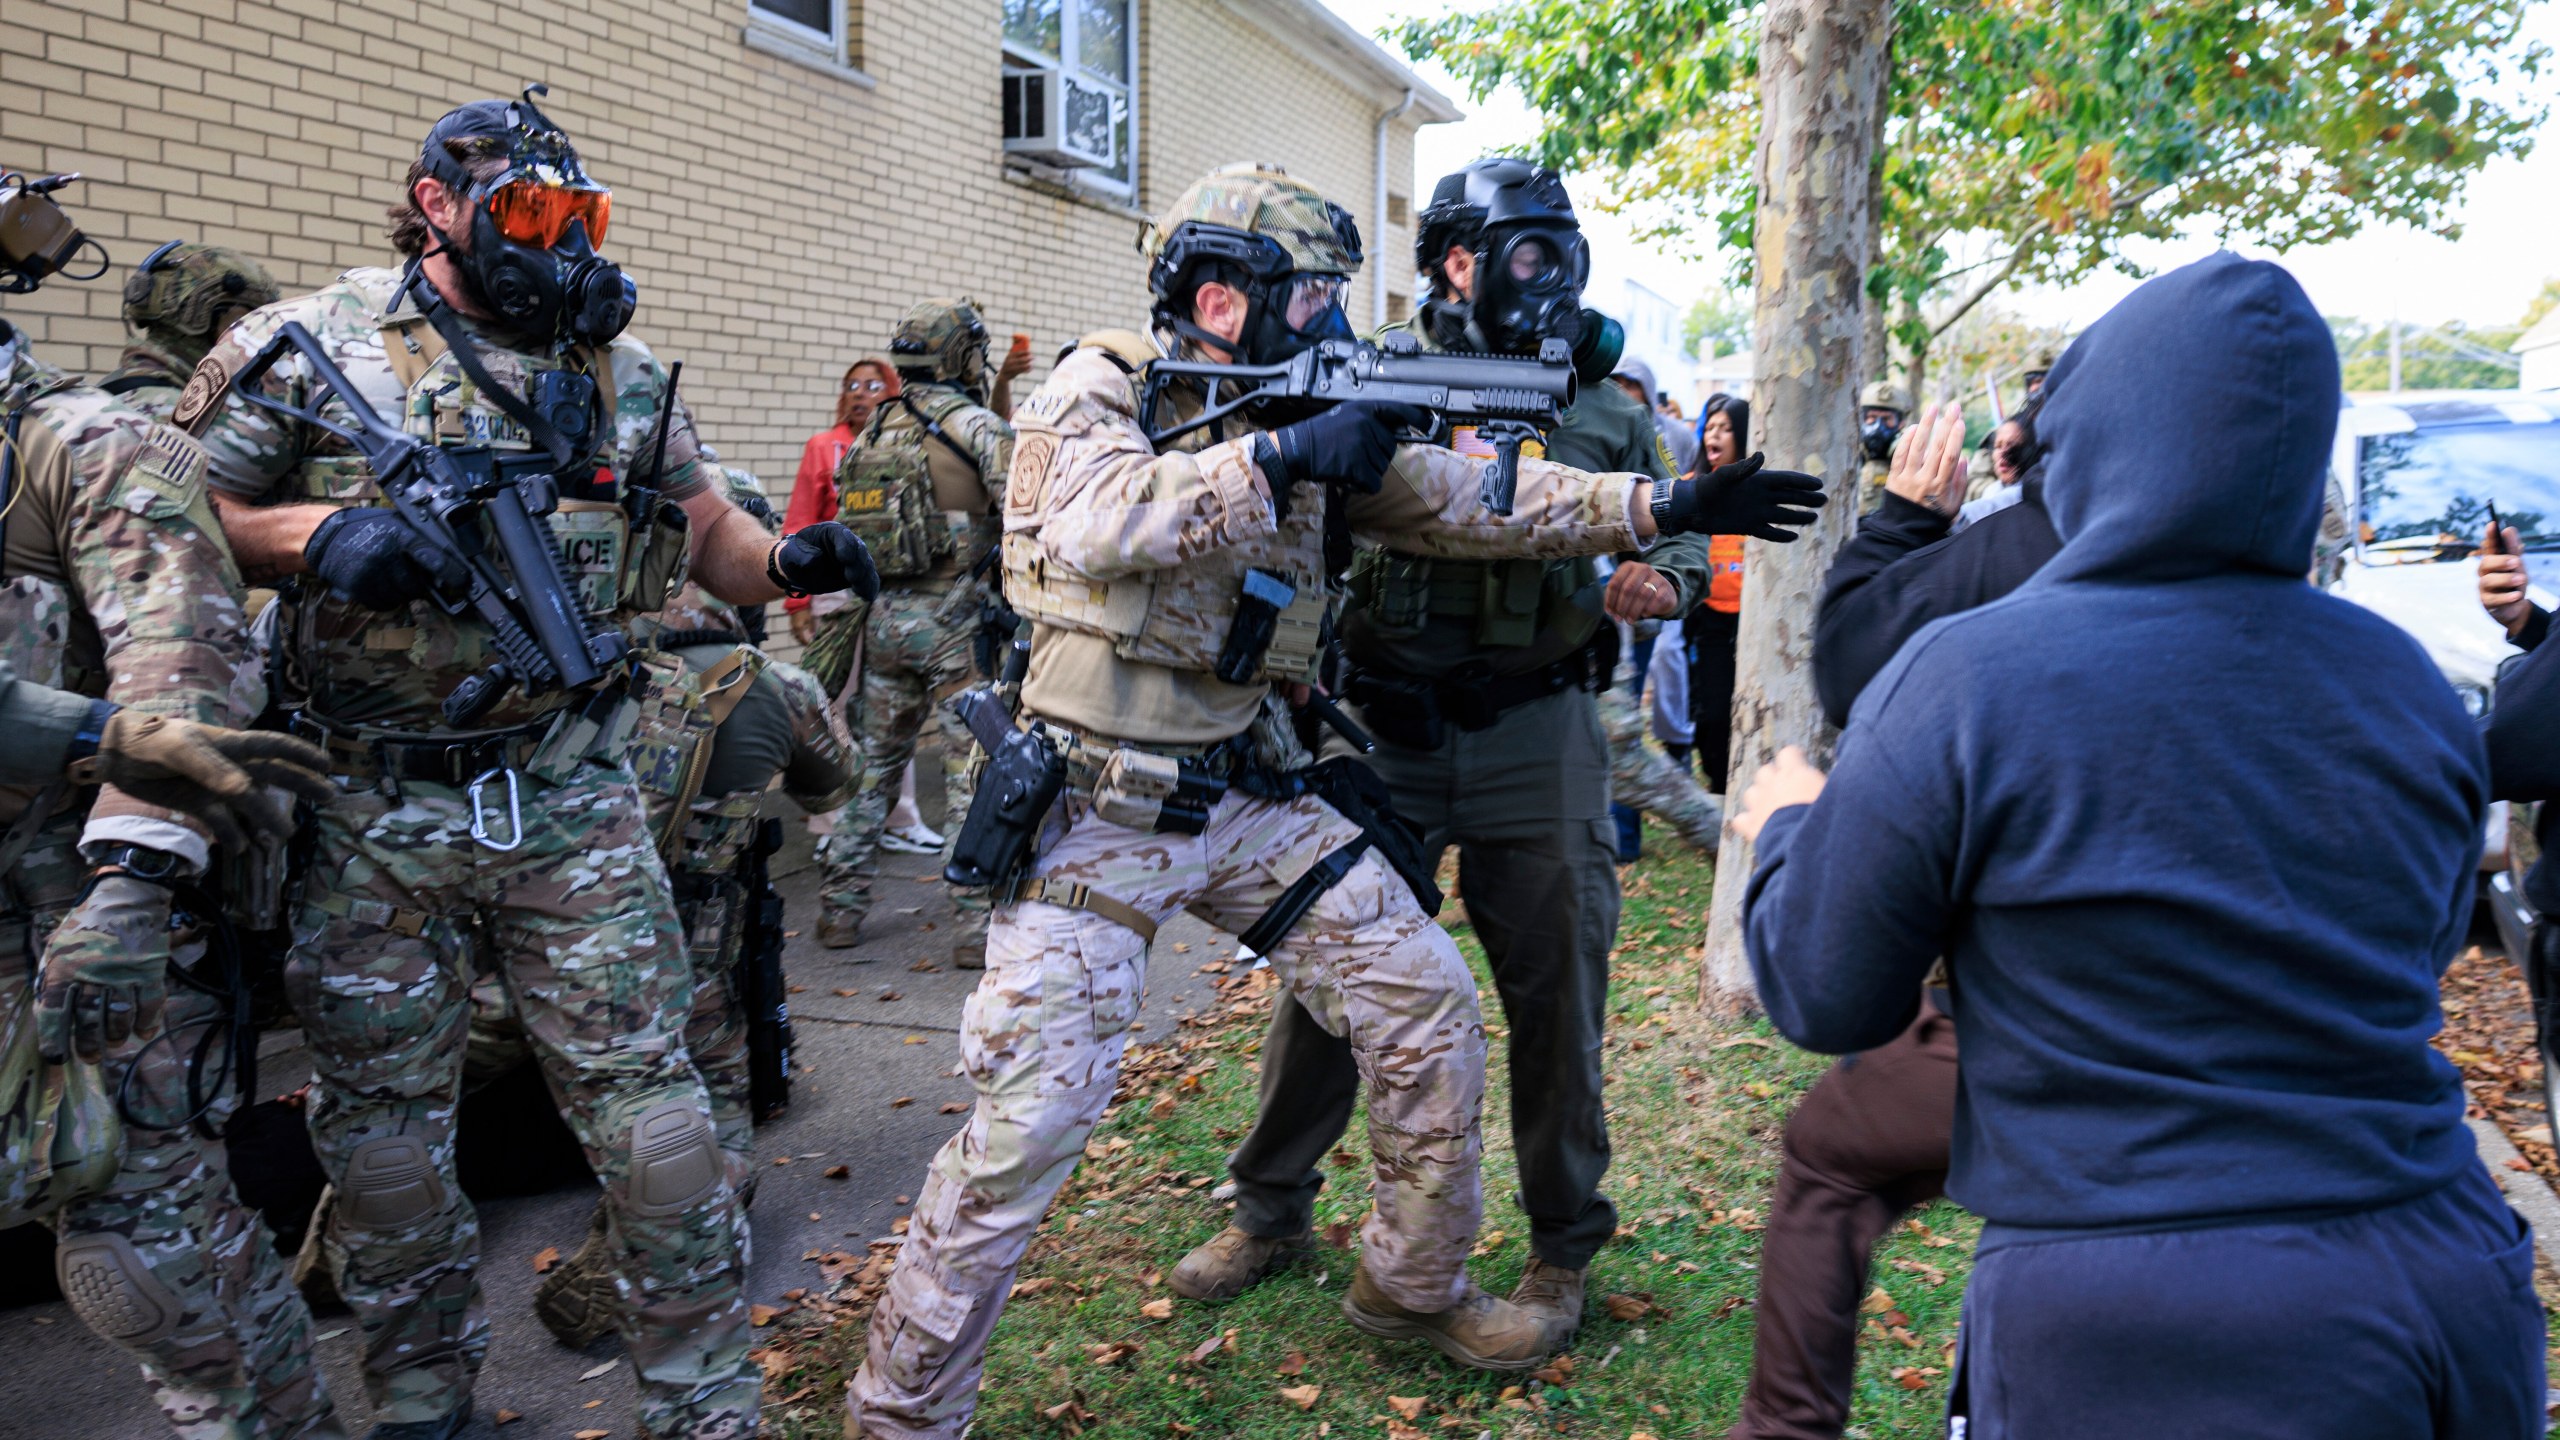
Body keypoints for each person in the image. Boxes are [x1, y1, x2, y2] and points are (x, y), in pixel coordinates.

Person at [847, 161, 1774, 1438]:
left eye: (1339, 292)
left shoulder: (1308, 406)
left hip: (1245, 795)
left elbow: (1465, 503)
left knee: (1425, 1004)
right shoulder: (1101, 384)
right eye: (1313, 292)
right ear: (1220, 297)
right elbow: (1099, 518)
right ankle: (901, 1415)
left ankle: (1411, 1281)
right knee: (1026, 1130)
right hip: (1097, 807)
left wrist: (1657, 500)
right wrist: (1279, 455)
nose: (1333, 317)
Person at [1733, 253, 2543, 1439]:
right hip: (2443, 1274)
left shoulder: (1967, 679)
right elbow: (2416, 944)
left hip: (2135, 1322)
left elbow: (1824, 991)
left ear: (2101, 440)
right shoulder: (2408, 686)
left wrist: (1792, 823)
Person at [182, 90, 879, 1440]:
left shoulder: (613, 367)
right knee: (385, 1150)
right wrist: (312, 538)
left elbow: (707, 529)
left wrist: (790, 563)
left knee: (661, 1135)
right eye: (525, 213)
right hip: (376, 809)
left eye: (576, 216)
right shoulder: (306, 344)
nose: (554, 240)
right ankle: (425, 1401)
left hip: (570, 790)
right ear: (437, 204)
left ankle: (703, 1403)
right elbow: (165, 508)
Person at [1180, 159, 1814, 1349]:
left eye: (1556, 249)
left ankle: (1561, 1247)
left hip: (1543, 729)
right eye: (1514, 249)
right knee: (1330, 989)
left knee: (1558, 1000)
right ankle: (1270, 1208)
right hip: (1386, 729)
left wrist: (1660, 579)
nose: (1541, 273)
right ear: (1454, 260)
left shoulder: (1604, 399)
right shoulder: (1362, 370)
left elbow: (1669, 527)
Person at [0, 175, 345, 1439]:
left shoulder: (76, 442)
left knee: (147, 1266)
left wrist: (131, 887)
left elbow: (182, 649)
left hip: (68, 906)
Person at [526, 462, 854, 1347]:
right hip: (703, 934)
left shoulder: (580, 667)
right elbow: (838, 783)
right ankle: (687, 1228)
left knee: (609, 1079)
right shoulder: (774, 685)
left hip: (565, 931)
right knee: (709, 1088)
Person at [811, 298, 1015, 964]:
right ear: (958, 356)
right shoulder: (976, 427)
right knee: (970, 773)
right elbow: (1029, 511)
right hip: (957, 626)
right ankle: (973, 927)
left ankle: (839, 910)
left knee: (872, 770)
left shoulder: (874, 432)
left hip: (888, 622)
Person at [98, 240, 281, 420]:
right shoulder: (180, 415)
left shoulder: (114, 387)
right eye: (252, 320)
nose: (259, 333)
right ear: (203, 314)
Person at [785, 357, 897, 646]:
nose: (859, 393)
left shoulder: (903, 450)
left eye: (872, 386)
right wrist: (797, 603)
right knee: (839, 686)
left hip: (895, 589)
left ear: (891, 394)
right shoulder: (822, 447)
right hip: (835, 587)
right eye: (852, 386)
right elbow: (800, 524)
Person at [1682, 395, 1751, 791]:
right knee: (1712, 716)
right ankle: (1721, 789)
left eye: (1725, 428)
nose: (1715, 435)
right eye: (1710, 427)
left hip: (1754, 620)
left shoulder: (1760, 488)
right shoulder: (1690, 490)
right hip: (1708, 622)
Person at [1610, 356, 1694, 475]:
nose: (1622, 392)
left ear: (1647, 390)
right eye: (1615, 385)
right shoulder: (1603, 435)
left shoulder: (1678, 434)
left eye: (1630, 385)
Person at [1852, 380, 1908, 513]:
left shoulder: (1909, 463)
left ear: (1901, 423)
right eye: (1872, 417)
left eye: (1887, 419)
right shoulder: (1849, 457)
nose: (1878, 426)